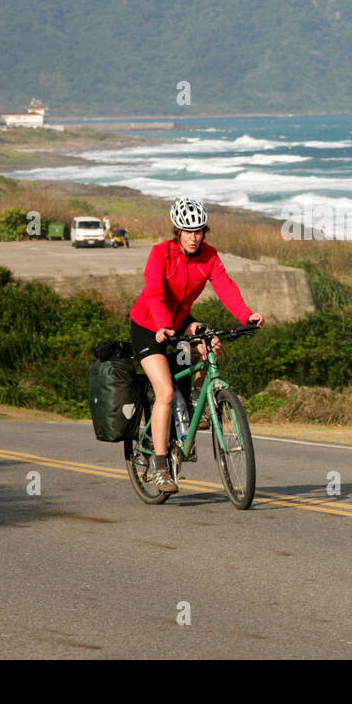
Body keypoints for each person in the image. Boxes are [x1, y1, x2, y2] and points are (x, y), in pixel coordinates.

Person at [129, 196, 264, 494]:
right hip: (149, 326)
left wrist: (246, 314)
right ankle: (162, 467)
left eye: (199, 231)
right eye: (188, 232)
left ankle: (198, 405)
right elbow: (154, 294)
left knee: (211, 343)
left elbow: (225, 286)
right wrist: (163, 325)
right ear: (177, 232)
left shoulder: (210, 256)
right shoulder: (160, 254)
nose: (194, 237)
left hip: (180, 324)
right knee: (165, 391)